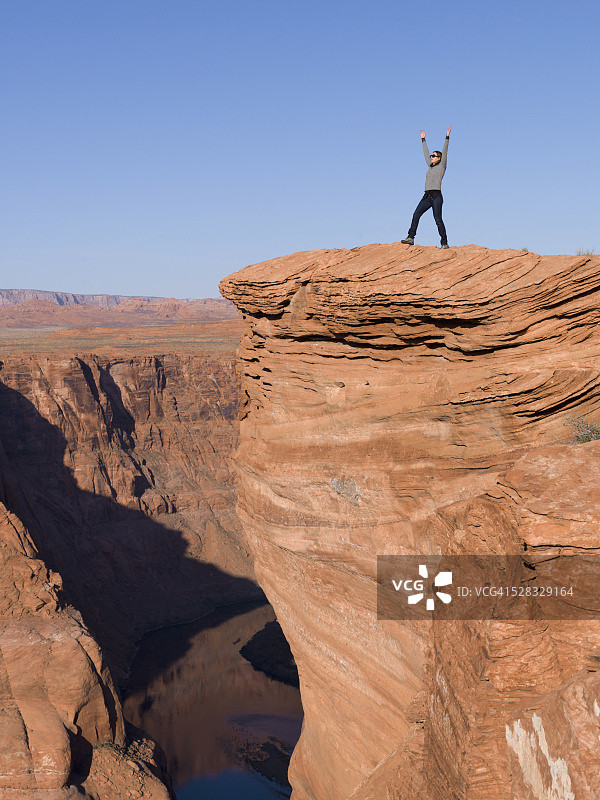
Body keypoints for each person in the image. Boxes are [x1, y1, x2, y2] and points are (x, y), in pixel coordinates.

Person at [402, 126, 452, 249]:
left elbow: (445, 151)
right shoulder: (430, 167)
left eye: (434, 156)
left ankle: (444, 242)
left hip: (436, 197)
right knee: (416, 214)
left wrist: (447, 136)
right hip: (426, 196)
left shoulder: (442, 166)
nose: (431, 157)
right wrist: (423, 139)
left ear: (439, 158)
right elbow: (425, 153)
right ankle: (411, 237)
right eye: (431, 155)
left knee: (438, 220)